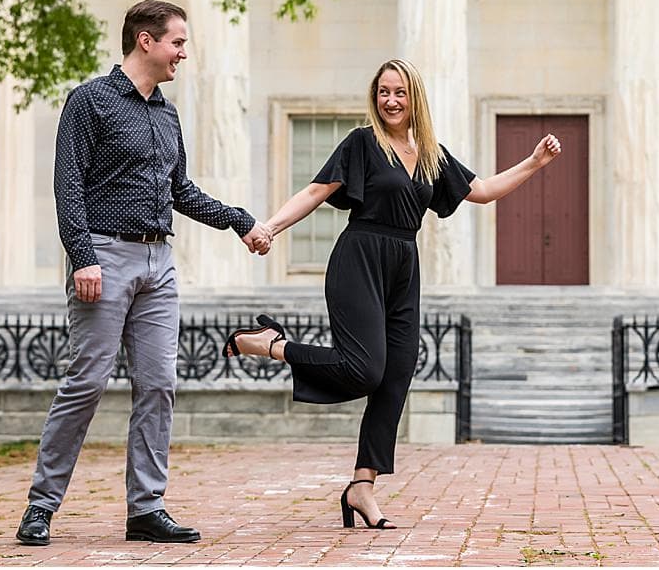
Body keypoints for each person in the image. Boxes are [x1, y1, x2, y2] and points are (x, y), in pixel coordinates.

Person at [225, 58, 561, 529]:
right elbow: (318, 190)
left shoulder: (430, 154)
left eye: (399, 92)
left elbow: (482, 191)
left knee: (396, 373)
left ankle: (362, 486)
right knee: (364, 369)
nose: (390, 101)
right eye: (383, 92)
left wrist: (534, 163)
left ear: (414, 96)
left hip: (404, 262)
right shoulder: (363, 143)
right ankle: (269, 344)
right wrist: (271, 228)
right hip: (359, 256)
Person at [16, 0, 272, 547]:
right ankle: (41, 506)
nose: (184, 52)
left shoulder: (166, 113)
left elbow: (181, 191)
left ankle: (146, 508)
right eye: (177, 42)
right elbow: (68, 186)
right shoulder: (90, 101)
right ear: (145, 41)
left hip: (160, 263)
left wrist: (238, 221)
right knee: (87, 382)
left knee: (158, 384)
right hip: (105, 258)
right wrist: (81, 255)